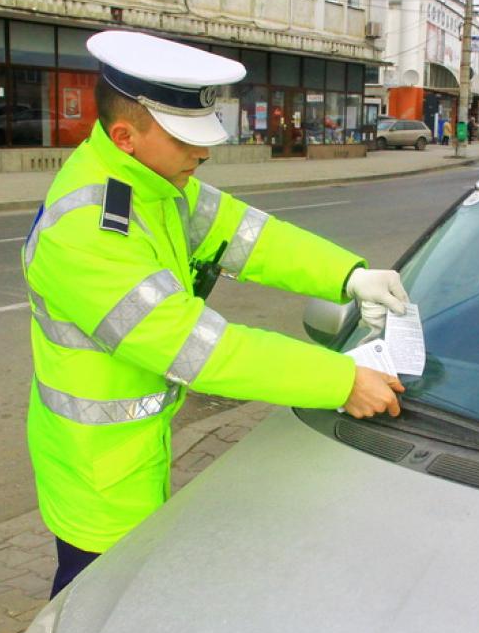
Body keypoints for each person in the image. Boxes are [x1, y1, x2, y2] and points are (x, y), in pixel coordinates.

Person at [22, 31, 409, 597]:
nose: (202, 154)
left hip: (132, 450)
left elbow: (247, 236)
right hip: (97, 472)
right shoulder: (87, 231)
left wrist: (348, 277)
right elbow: (201, 349)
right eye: (185, 141)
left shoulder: (153, 183)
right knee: (96, 607)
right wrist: (341, 379)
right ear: (126, 136)